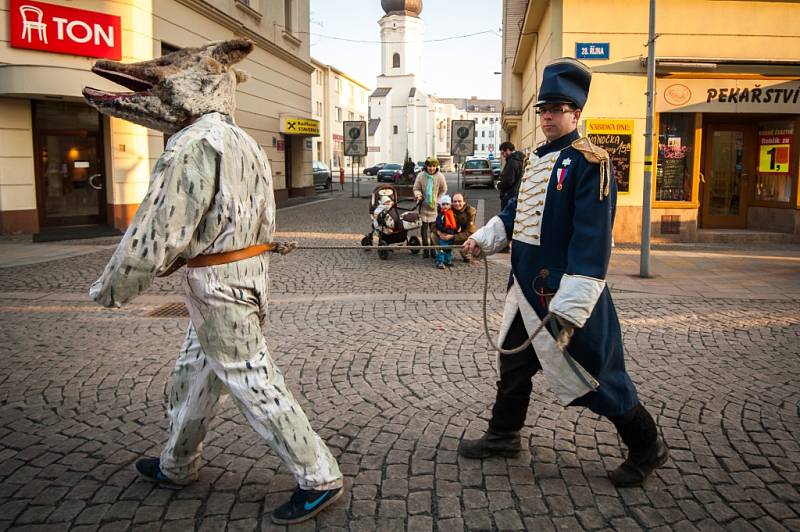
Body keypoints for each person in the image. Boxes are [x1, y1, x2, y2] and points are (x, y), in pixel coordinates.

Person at [83, 40, 343, 524]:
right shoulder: (246, 144)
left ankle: (318, 475)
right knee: (194, 377)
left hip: (218, 286)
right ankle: (177, 462)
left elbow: (159, 230)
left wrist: (113, 286)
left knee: (252, 380)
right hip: (244, 278)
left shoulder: (191, 144)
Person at [459, 57, 668, 488]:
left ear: (576, 113)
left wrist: (571, 309)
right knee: (513, 366)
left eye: (557, 109)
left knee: (597, 377)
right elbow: (516, 215)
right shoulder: (537, 159)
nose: (548, 116)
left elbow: (591, 243)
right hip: (525, 293)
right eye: (543, 109)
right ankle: (503, 435)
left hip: (566, 296)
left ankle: (647, 445)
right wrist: (482, 239)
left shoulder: (591, 162)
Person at [413, 156, 447, 259]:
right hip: (423, 207)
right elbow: (416, 188)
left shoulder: (440, 176)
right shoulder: (421, 176)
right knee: (423, 230)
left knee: (433, 231)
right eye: (429, 166)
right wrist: (418, 194)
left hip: (434, 208)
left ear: (436, 166)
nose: (431, 168)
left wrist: (438, 199)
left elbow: (444, 189)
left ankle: (433, 250)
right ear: (426, 166)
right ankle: (425, 250)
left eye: (433, 166)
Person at [496, 141, 526, 211]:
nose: (503, 155)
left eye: (503, 153)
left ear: (508, 150)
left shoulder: (512, 161)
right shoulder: (521, 159)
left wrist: (498, 185)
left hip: (509, 195)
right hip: (518, 193)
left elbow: (508, 181)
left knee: (506, 218)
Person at [450, 192, 477, 262]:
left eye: (459, 201)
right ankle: (443, 252)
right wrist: (440, 233)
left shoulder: (470, 211)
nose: (457, 203)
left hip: (462, 236)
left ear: (464, 202)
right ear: (451, 202)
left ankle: (465, 252)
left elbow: (471, 232)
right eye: (454, 201)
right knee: (433, 235)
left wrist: (452, 236)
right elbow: (434, 225)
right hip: (448, 233)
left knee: (473, 237)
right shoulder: (446, 208)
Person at [434, 194, 458, 269]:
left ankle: (448, 260)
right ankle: (439, 261)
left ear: (450, 205)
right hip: (444, 234)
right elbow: (438, 224)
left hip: (451, 234)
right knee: (442, 249)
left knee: (449, 249)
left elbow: (455, 222)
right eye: (443, 204)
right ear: (441, 205)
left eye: (447, 204)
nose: (445, 206)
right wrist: (444, 230)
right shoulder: (440, 215)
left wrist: (457, 228)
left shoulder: (452, 214)